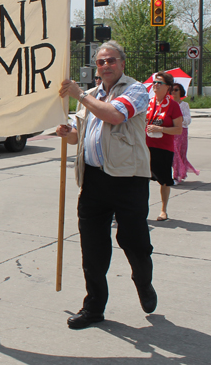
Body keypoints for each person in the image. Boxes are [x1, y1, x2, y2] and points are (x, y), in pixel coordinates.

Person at [56, 40, 156, 330]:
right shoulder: (89, 95)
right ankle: (94, 307)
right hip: (93, 180)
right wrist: (68, 132)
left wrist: (80, 95)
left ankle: (143, 281)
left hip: (128, 180)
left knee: (134, 242)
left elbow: (114, 115)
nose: (106, 66)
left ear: (122, 64)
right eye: (101, 62)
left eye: (111, 61)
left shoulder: (136, 90)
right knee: (93, 247)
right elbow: (79, 134)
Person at [145, 72, 183, 221]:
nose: (155, 85)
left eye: (159, 83)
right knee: (143, 179)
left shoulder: (173, 105)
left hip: (163, 148)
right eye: (154, 82)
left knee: (164, 180)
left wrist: (161, 129)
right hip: (146, 146)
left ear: (168, 87)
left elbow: (178, 129)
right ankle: (142, 208)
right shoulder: (149, 102)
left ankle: (163, 210)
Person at [171, 83, 199, 184]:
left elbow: (188, 119)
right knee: (173, 154)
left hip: (181, 132)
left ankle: (177, 176)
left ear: (180, 92)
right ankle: (175, 174)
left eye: (176, 89)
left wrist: (179, 119)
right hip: (170, 131)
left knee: (178, 153)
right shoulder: (168, 104)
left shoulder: (184, 105)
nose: (173, 92)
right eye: (172, 90)